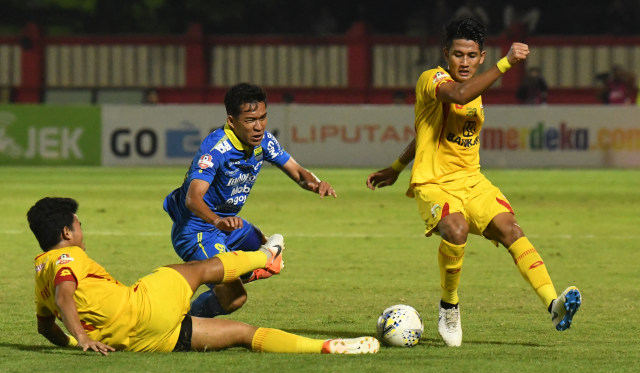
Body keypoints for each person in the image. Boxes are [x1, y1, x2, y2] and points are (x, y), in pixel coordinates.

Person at [366, 18, 581, 347]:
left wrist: (395, 166)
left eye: (470, 56)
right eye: (457, 55)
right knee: (456, 229)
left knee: (512, 230)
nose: (463, 62)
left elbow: (425, 134)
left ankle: (554, 305)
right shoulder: (433, 80)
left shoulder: (477, 87)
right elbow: (460, 93)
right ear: (445, 54)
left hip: (473, 181)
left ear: (480, 57)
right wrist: (506, 62)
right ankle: (449, 305)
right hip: (435, 183)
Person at [28, 197, 379, 355]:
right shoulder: (66, 256)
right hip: (143, 307)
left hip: (140, 342)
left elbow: (46, 328)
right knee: (198, 268)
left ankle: (326, 348)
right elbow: (65, 292)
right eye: (78, 224)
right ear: (67, 231)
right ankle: (266, 254)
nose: (81, 230)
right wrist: (82, 337)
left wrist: (78, 343)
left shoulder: (38, 271)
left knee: (243, 335)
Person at [163, 83, 336, 319]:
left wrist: (317, 184)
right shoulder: (216, 149)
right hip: (197, 231)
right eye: (250, 120)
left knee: (269, 254)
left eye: (263, 118)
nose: (259, 126)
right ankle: (186, 322)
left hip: (229, 225)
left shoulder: (264, 141)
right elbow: (193, 199)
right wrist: (217, 221)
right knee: (235, 298)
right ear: (232, 121)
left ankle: (225, 276)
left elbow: (297, 172)